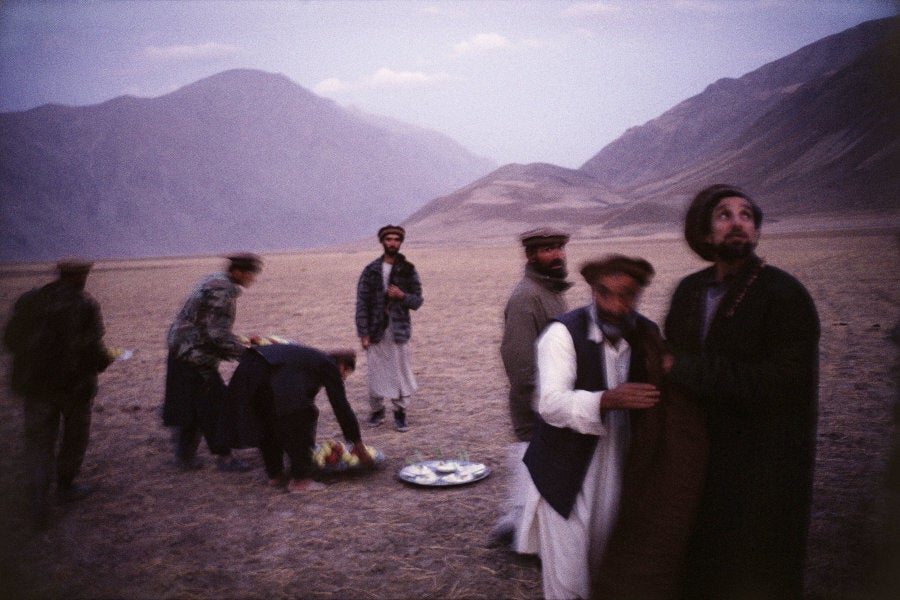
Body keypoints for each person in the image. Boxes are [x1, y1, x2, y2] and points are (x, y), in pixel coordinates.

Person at [664, 184, 820, 599]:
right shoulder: (689, 291)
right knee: (700, 560)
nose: (737, 223)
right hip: (700, 451)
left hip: (763, 459)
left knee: (754, 564)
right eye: (723, 215)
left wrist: (685, 368)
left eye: (746, 215)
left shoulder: (784, 294)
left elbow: (781, 383)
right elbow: (670, 362)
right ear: (704, 232)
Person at [517, 255, 662, 600]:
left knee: (606, 567)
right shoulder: (562, 334)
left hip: (622, 468)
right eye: (604, 293)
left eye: (627, 295)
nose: (615, 305)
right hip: (566, 475)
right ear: (592, 291)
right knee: (567, 579)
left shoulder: (647, 334)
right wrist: (606, 400)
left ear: (639, 294)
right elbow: (550, 404)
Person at [3, 258, 113, 525]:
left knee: (39, 443)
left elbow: (10, 340)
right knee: (74, 437)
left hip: (36, 386)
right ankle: (66, 486)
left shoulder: (30, 300)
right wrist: (105, 360)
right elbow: (91, 347)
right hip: (73, 387)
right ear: (81, 276)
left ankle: (37, 502)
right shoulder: (84, 304)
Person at [488, 227, 572, 548]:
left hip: (554, 397)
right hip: (537, 402)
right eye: (547, 249)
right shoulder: (526, 298)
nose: (556, 255)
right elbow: (520, 362)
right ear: (530, 255)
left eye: (559, 247)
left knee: (538, 470)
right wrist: (539, 403)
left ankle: (518, 525)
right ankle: (521, 535)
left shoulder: (550, 291)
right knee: (531, 463)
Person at [222, 344, 375, 493]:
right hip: (259, 370)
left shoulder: (308, 359)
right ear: (342, 366)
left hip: (251, 367)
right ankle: (300, 480)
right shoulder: (328, 365)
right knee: (303, 416)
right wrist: (357, 444)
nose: (344, 379)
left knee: (270, 418)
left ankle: (275, 474)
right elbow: (341, 407)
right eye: (346, 373)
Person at [163, 253, 262, 472]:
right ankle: (225, 458)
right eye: (249, 275)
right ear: (237, 272)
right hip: (194, 355)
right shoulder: (222, 290)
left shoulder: (214, 280)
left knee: (192, 405)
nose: (251, 280)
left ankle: (184, 457)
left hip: (181, 350)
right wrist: (246, 354)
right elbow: (216, 334)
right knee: (216, 405)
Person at [355, 224, 423, 432]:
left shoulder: (408, 269)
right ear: (382, 242)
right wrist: (363, 332)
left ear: (400, 242)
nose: (393, 243)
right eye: (389, 239)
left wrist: (402, 296)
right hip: (376, 330)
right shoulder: (371, 270)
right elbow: (362, 303)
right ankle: (377, 410)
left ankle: (400, 412)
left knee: (400, 371)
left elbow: (417, 301)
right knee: (375, 371)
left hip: (399, 330)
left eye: (396, 239)